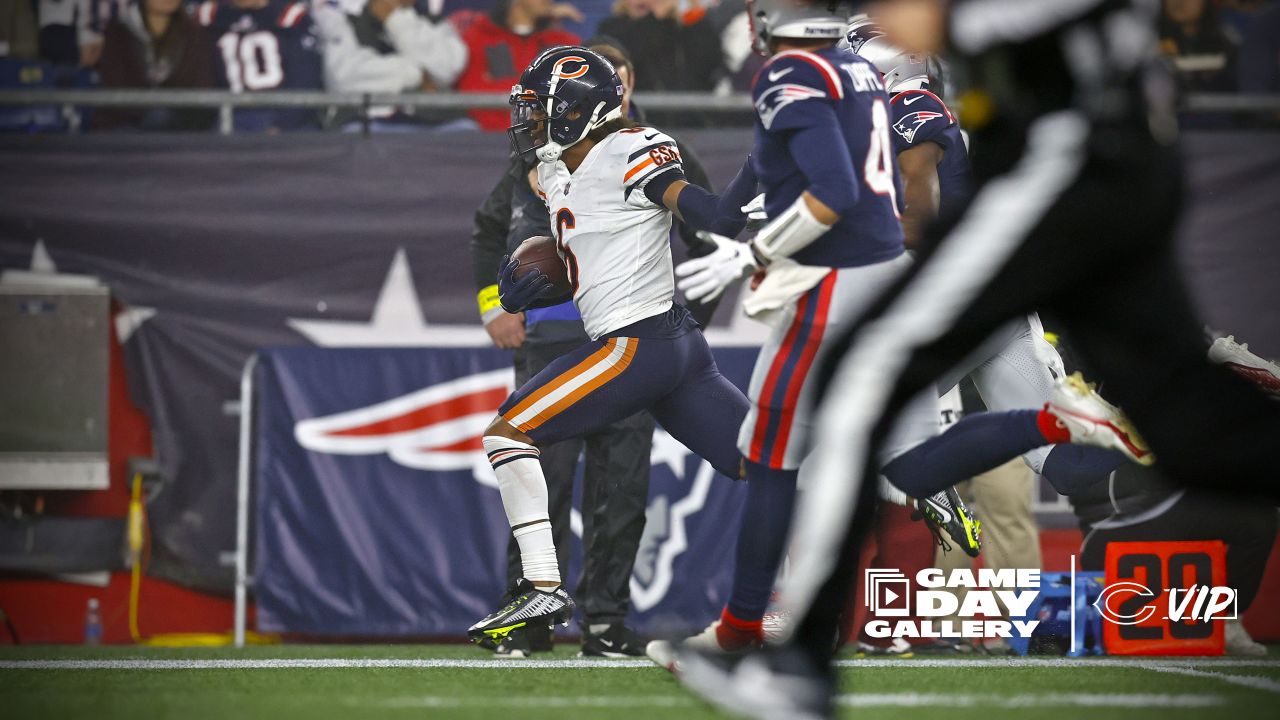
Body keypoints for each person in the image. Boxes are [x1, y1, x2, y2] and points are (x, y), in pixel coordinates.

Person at [687, 0, 1280, 715]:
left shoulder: (905, 102)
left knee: (861, 381)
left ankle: (799, 664)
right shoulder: (891, 98)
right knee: (1191, 435)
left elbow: (912, 190)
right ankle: (1065, 419)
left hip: (1060, 170)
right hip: (1103, 166)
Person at [653, 0, 1149, 668]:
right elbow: (728, 208)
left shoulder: (856, 98)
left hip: (895, 293)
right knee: (910, 468)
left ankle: (764, 629)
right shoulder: (854, 98)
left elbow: (885, 203)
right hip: (918, 293)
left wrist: (756, 252)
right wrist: (666, 183)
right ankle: (1090, 432)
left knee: (782, 458)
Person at [468, 43, 701, 659]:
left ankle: (605, 620)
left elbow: (703, 226)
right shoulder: (545, 156)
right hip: (554, 335)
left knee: (620, 488)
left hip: (631, 338)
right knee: (540, 470)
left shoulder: (645, 149)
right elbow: (489, 228)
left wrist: (681, 314)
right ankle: (531, 613)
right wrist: (493, 302)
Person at [312, 0, 467, 129]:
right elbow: (344, 77)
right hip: (369, 123)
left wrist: (395, 19)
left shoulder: (429, 19)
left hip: (435, 123)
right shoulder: (345, 18)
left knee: (466, 131)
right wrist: (417, 75)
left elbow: (448, 68)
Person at [196, 0, 324, 132]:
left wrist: (282, 123)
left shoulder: (292, 17)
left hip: (283, 114)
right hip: (228, 114)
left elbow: (306, 78)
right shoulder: (210, 16)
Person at [454, 0, 583, 131]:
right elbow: (474, 94)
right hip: (492, 134)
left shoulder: (561, 41)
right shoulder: (479, 37)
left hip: (548, 135)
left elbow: (571, 92)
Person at [93, 0, 216, 131]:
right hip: (127, 126)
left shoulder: (195, 35)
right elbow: (115, 90)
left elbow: (201, 86)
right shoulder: (118, 35)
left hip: (182, 127)